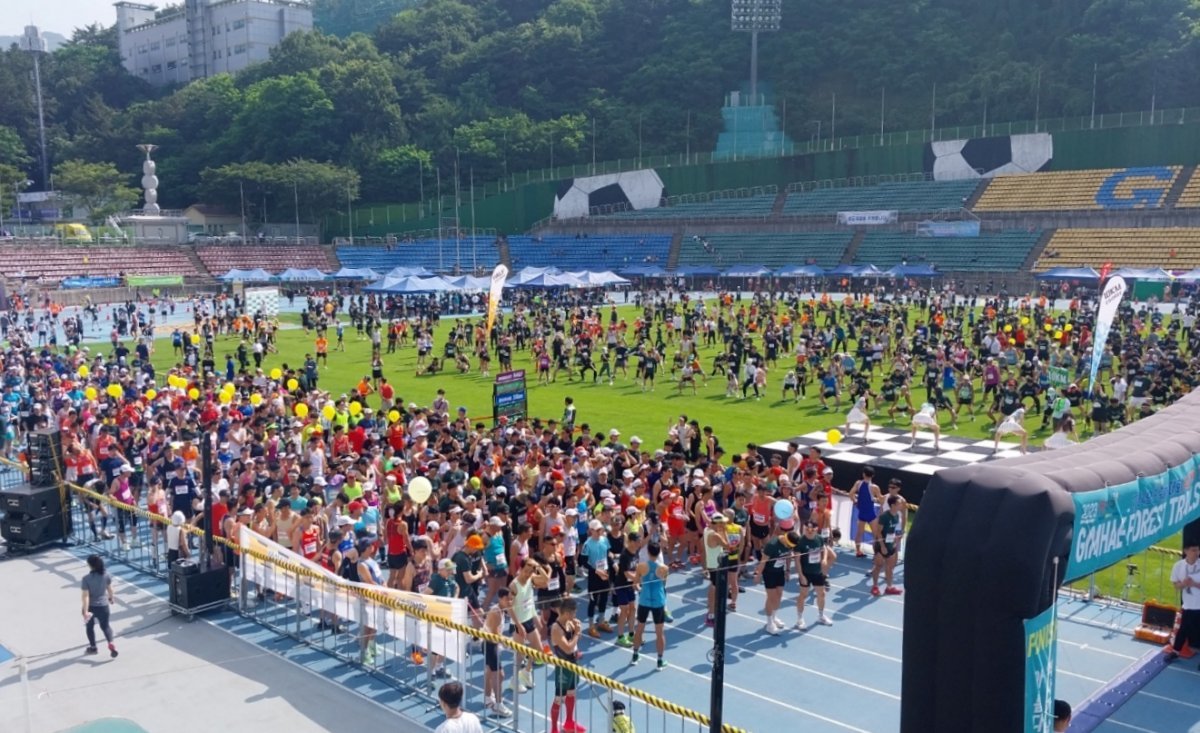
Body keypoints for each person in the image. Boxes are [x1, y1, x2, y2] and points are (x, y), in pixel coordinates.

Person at [549, 597, 586, 733]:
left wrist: (577, 630)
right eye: (574, 613)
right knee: (559, 698)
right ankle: (554, 729)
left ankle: (569, 722)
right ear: (567, 613)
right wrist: (577, 633)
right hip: (563, 667)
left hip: (573, 663)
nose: (575, 616)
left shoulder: (569, 623)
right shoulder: (556, 628)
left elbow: (576, 641)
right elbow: (568, 648)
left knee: (571, 693)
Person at [632, 542, 669, 669]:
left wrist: (640, 589)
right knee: (659, 632)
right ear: (659, 552)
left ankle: (635, 655)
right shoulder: (664, 568)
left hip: (644, 600)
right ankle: (659, 661)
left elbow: (635, 584)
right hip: (658, 601)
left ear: (648, 552)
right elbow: (664, 584)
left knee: (639, 628)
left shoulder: (641, 566)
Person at [755, 530, 799, 635]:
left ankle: (774, 617)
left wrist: (788, 570)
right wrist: (758, 574)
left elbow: (788, 556)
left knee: (779, 596)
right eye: (788, 545)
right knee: (771, 597)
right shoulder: (771, 545)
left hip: (780, 571)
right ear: (785, 538)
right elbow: (763, 561)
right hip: (769, 573)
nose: (789, 547)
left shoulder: (788, 545)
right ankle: (769, 623)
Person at [794, 521, 834, 629]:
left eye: (811, 530)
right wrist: (801, 575)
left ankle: (821, 616)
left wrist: (825, 559)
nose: (809, 531)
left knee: (821, 594)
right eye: (807, 529)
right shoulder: (800, 542)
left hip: (817, 571)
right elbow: (797, 560)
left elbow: (824, 548)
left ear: (816, 529)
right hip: (805, 573)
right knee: (803, 595)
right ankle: (799, 619)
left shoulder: (819, 538)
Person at [1166, 541, 1200, 661]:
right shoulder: (1178, 566)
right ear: (1186, 551)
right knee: (1183, 630)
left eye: (1198, 550)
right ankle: (1175, 652)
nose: (1197, 553)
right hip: (1188, 605)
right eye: (1194, 550)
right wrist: (1183, 584)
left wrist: (1194, 584)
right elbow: (1176, 585)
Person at [80, 554, 118, 658]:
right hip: (103, 605)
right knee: (105, 626)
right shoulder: (106, 575)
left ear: (90, 565)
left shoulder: (86, 579)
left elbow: (85, 596)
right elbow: (110, 589)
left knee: (89, 627)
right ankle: (111, 642)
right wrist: (111, 598)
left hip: (91, 606)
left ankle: (93, 647)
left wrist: (86, 610)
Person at [870, 496, 904, 596]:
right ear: (893, 505)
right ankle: (875, 586)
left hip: (890, 545)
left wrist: (896, 540)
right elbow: (878, 532)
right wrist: (882, 546)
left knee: (890, 567)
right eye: (899, 503)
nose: (901, 505)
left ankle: (889, 587)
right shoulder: (884, 516)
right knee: (878, 566)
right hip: (881, 546)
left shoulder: (897, 515)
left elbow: (893, 531)